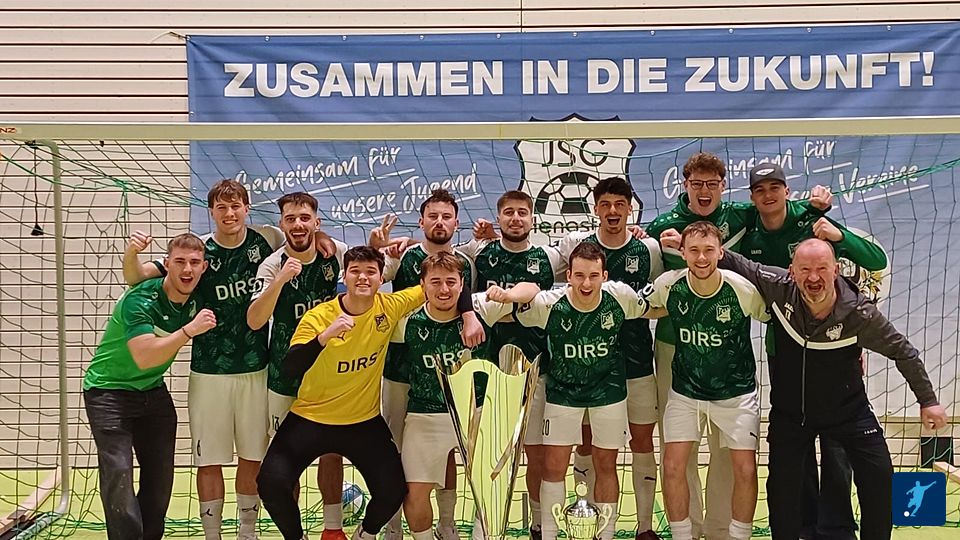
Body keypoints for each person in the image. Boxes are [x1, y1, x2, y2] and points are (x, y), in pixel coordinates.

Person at [645, 152, 831, 539]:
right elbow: (647, 284)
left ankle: (719, 529)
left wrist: (814, 207)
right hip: (675, 346)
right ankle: (687, 529)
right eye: (697, 184)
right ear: (685, 185)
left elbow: (778, 209)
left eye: (712, 184)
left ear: (723, 187)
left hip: (727, 350)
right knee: (678, 450)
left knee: (727, 452)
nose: (705, 191)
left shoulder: (740, 216)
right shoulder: (662, 226)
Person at [718, 238, 948, 539]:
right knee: (781, 490)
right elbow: (736, 262)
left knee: (879, 475)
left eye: (822, 269)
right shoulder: (778, 286)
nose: (813, 277)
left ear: (836, 270)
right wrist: (694, 244)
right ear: (792, 272)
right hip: (791, 414)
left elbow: (902, 351)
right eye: (805, 269)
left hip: (848, 413)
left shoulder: (859, 313)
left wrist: (928, 401)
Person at [257, 246, 484, 540]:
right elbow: (290, 367)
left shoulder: (389, 306)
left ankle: (365, 534)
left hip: (362, 421)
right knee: (270, 484)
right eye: (355, 271)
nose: (363, 278)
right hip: (310, 418)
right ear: (344, 276)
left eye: (370, 272)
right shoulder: (320, 316)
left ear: (380, 278)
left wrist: (468, 314)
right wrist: (324, 338)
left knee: (394, 490)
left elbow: (441, 285)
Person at [123, 180, 294, 540]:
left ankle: (247, 532)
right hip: (208, 372)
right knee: (209, 459)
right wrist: (132, 253)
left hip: (256, 369)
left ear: (247, 208)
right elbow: (136, 278)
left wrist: (323, 238)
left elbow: (303, 240)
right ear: (211, 211)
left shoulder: (268, 239)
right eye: (221, 207)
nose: (229, 214)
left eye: (235, 206)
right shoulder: (198, 252)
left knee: (252, 457)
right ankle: (212, 535)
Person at [740, 162, 887, 540]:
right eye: (761, 189)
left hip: (835, 345)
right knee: (795, 441)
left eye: (775, 187)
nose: (769, 195)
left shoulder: (812, 219)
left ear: (787, 191)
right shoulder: (748, 230)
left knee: (838, 438)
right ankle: (805, 525)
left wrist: (839, 235)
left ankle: (836, 526)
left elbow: (877, 261)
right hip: (784, 347)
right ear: (752, 197)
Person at [391, 252, 538, 540]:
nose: (444, 289)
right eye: (435, 282)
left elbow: (532, 289)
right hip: (426, 414)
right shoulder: (406, 321)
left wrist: (507, 295)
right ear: (422, 285)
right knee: (414, 493)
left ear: (462, 285)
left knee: (490, 489)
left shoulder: (481, 307)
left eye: (451, 282)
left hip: (478, 412)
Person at [514, 242, 653, 540]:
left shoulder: (621, 296)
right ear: (568, 276)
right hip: (563, 394)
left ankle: (606, 534)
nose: (586, 283)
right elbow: (516, 310)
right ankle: (550, 534)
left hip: (609, 393)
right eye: (579, 276)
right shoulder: (549, 304)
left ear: (604, 276)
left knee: (606, 464)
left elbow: (654, 308)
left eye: (593, 276)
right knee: (553, 466)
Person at [639, 222, 769, 540]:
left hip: (735, 394)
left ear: (720, 252)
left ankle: (738, 537)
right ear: (682, 253)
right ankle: (683, 536)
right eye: (694, 250)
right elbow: (638, 307)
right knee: (673, 466)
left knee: (745, 469)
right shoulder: (669, 285)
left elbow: (773, 317)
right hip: (686, 392)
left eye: (708, 250)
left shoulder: (742, 289)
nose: (701, 258)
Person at [84, 233, 214, 540]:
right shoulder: (140, 299)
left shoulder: (199, 294)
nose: (187, 269)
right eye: (179, 262)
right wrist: (189, 330)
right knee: (118, 474)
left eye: (194, 262)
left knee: (160, 478)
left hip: (152, 392)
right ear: (166, 264)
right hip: (109, 393)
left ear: (204, 267)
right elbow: (144, 357)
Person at [554, 177, 663, 540]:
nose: (612, 211)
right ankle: (587, 525)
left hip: (637, 363)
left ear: (630, 208)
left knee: (642, 442)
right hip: (592, 371)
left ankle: (645, 527)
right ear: (595, 208)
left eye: (620, 204)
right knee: (588, 445)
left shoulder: (648, 249)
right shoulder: (578, 247)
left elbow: (657, 299)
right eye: (605, 204)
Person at [370, 188, 477, 540]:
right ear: (421, 222)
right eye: (433, 216)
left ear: (456, 223)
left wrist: (469, 314)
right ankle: (393, 524)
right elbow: (369, 279)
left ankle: (446, 523)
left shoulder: (465, 262)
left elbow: (468, 302)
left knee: (444, 451)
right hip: (401, 368)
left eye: (446, 217)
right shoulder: (402, 255)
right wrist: (376, 248)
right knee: (396, 448)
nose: (439, 222)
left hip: (443, 371)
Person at [456, 190, 563, 540]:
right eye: (509, 213)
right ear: (498, 217)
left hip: (536, 366)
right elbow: (444, 265)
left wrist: (508, 299)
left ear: (533, 219)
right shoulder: (479, 253)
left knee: (536, 454)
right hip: (491, 368)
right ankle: (484, 527)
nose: (516, 219)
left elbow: (536, 287)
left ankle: (538, 524)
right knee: (491, 455)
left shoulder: (548, 256)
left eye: (522, 213)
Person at [246, 192, 349, 540]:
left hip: (329, 372)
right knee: (287, 459)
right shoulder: (271, 265)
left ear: (317, 222)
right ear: (282, 224)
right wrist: (280, 279)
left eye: (305, 218)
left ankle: (332, 529)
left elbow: (369, 273)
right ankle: (294, 533)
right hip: (285, 374)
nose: (298, 225)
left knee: (331, 452)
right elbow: (255, 321)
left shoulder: (336, 253)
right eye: (290, 219)